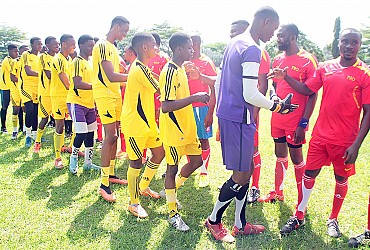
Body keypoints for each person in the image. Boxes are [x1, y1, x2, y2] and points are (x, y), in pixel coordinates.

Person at [204, 7, 298, 243]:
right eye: (273, 29)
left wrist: (272, 99)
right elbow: (250, 94)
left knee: (246, 170)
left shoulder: (236, 41)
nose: (272, 35)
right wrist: (276, 106)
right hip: (238, 116)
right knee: (241, 174)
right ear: (266, 22)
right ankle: (214, 220)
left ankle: (240, 223)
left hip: (233, 114)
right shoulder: (252, 48)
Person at [277, 28, 370, 238]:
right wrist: (286, 77)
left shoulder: (364, 74)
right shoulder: (326, 67)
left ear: (359, 45)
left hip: (345, 140)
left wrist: (356, 144)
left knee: (340, 178)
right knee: (309, 174)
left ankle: (333, 219)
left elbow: (368, 112)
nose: (349, 46)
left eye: (354, 42)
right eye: (345, 41)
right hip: (320, 136)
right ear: (338, 43)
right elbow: (306, 90)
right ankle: (299, 214)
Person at [258, 24, 318, 204]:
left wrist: (303, 123)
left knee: (297, 158)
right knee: (280, 154)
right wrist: (274, 97)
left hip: (296, 120)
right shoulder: (277, 60)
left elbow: (311, 92)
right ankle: (278, 192)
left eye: (281, 36)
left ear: (293, 37)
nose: (278, 39)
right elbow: (275, 87)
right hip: (278, 118)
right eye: (277, 36)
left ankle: (302, 201)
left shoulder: (308, 60)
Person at [159, 32, 209, 231]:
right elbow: (166, 106)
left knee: (197, 161)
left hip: (187, 128)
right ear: (178, 49)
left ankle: (170, 191)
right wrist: (195, 97)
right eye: (189, 47)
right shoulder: (169, 71)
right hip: (173, 130)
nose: (192, 50)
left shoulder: (180, 69)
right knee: (171, 169)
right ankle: (172, 213)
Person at [121, 32, 165, 218]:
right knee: (136, 162)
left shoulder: (142, 68)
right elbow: (160, 88)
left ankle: (143, 186)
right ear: (144, 47)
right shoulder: (138, 69)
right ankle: (133, 202)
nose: (157, 47)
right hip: (135, 124)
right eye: (154, 44)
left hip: (147, 123)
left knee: (159, 152)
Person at [92, 16, 130, 202]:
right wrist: (134, 76)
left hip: (115, 95)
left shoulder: (113, 48)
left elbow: (118, 74)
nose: (124, 35)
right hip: (105, 95)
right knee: (111, 136)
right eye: (123, 31)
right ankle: (103, 183)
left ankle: (112, 174)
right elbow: (111, 75)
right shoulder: (102, 45)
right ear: (116, 26)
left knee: (115, 134)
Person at [66, 35, 100, 174]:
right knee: (81, 133)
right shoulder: (77, 62)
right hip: (77, 102)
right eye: (89, 45)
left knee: (90, 133)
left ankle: (88, 163)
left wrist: (95, 102)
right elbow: (78, 83)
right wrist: (97, 87)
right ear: (81, 45)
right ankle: (73, 158)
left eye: (93, 45)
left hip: (90, 104)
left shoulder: (91, 63)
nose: (92, 48)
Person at [187, 35, 217, 187]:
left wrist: (210, 113)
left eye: (189, 44)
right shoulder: (185, 62)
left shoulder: (207, 62)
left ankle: (204, 171)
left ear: (196, 43)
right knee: (188, 139)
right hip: (186, 106)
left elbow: (214, 88)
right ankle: (191, 167)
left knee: (203, 139)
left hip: (202, 107)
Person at [51, 34, 76, 168]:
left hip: (70, 96)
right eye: (72, 43)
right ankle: (57, 157)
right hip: (59, 97)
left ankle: (71, 147)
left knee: (77, 123)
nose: (74, 46)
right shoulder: (58, 59)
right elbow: (67, 83)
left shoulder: (69, 60)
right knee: (59, 126)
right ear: (64, 44)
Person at [33, 36, 60, 153]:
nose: (57, 46)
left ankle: (61, 145)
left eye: (58, 44)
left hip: (58, 93)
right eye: (55, 44)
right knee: (45, 118)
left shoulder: (59, 58)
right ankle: (37, 142)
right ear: (47, 46)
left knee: (60, 120)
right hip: (46, 93)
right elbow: (49, 75)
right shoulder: (43, 57)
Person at [20, 37, 42, 147]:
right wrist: (42, 74)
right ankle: (28, 135)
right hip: (26, 86)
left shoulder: (40, 57)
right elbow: (28, 71)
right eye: (38, 44)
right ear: (32, 45)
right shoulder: (26, 55)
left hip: (37, 87)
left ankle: (34, 134)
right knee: (29, 110)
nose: (40, 46)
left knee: (35, 112)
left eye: (41, 44)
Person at [116, 45, 137, 159]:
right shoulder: (130, 66)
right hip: (126, 100)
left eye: (125, 52)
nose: (124, 54)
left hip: (131, 102)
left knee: (129, 127)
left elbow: (131, 83)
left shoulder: (135, 66)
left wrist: (113, 81)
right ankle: (126, 150)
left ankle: (131, 152)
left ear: (131, 53)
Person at [9, 45, 28, 139]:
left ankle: (25, 129)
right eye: (24, 51)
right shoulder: (15, 62)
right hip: (16, 89)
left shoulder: (28, 62)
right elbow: (12, 77)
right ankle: (14, 130)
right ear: (20, 52)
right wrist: (22, 81)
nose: (26, 53)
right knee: (16, 109)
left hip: (25, 89)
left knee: (25, 109)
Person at [0, 44, 19, 134]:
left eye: (17, 51)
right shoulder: (8, 60)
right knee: (5, 106)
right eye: (15, 51)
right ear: (10, 51)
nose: (17, 53)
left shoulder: (13, 61)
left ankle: (19, 127)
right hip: (6, 87)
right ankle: (3, 127)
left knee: (17, 107)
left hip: (13, 87)